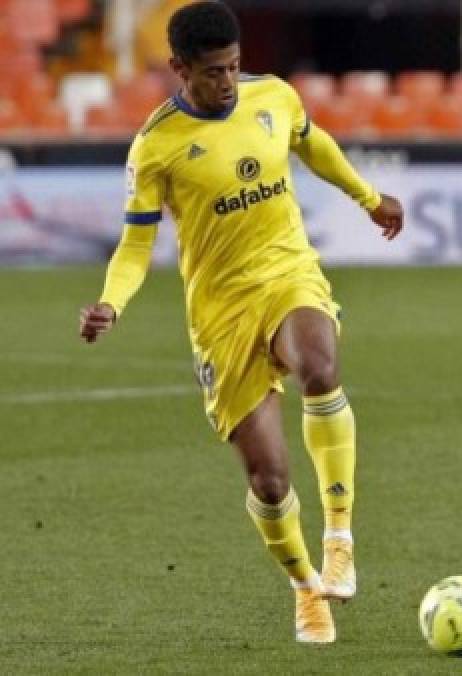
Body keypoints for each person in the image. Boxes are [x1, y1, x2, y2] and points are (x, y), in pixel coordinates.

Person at [77, 1, 405, 644]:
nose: (227, 81)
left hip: (286, 273)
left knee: (319, 363)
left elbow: (317, 146)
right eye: (212, 72)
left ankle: (339, 534)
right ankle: (307, 586)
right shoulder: (156, 148)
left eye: (233, 67)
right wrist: (111, 302)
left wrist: (368, 198)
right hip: (220, 314)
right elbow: (137, 244)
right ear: (178, 68)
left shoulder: (274, 98)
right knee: (269, 477)